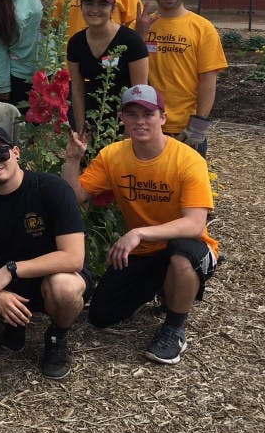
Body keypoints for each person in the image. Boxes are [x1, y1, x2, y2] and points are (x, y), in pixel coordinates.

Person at [63, 85, 219, 365]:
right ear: (122, 118)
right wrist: (73, 160)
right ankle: (162, 285)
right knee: (101, 315)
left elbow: (195, 225)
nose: (140, 121)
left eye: (148, 114)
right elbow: (75, 197)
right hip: (145, 251)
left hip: (188, 245)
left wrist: (138, 232)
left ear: (163, 117)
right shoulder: (113, 156)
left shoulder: (187, 160)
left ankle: (174, 329)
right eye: (132, 114)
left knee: (181, 256)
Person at [0, 126, 90, 379]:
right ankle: (13, 324)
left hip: (55, 273)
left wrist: (12, 269)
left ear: (16, 153)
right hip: (11, 278)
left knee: (64, 288)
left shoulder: (52, 188)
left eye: (0, 153)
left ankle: (57, 336)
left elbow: (73, 258)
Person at [135, 0, 227, 156]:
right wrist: (138, 36)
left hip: (186, 129)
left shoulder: (203, 29)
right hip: (148, 125)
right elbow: (130, 72)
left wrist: (198, 126)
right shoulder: (143, 26)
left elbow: (208, 81)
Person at [67, 0, 149, 136]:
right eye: (89, 3)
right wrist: (81, 129)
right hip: (93, 123)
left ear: (113, 8)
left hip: (124, 124)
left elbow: (139, 92)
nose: (95, 9)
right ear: (81, 6)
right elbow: (77, 88)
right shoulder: (76, 43)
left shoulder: (131, 41)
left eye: (102, 4)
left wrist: (129, 135)